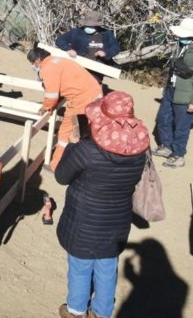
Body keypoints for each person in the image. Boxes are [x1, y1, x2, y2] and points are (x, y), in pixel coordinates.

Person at [55, 92, 149, 318]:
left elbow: (61, 176)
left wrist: (72, 145)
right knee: (107, 267)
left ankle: (76, 309)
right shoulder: (140, 150)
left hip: (83, 219)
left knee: (80, 265)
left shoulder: (87, 149)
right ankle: (101, 312)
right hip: (117, 219)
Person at [153, 17, 193, 168]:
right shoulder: (182, 44)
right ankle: (166, 146)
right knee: (163, 119)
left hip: (188, 94)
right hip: (172, 89)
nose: (179, 37)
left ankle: (178, 155)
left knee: (182, 126)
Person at [27, 47, 102, 171]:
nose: (33, 66)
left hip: (82, 99)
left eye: (32, 63)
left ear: (37, 61)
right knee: (86, 130)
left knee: (65, 132)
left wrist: (46, 107)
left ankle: (56, 166)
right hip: (94, 93)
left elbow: (51, 95)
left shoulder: (48, 68)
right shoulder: (58, 61)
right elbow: (63, 85)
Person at [55, 10, 121, 84]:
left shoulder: (106, 34)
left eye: (91, 25)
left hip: (97, 70)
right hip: (78, 67)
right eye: (87, 25)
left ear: (97, 25)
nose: (88, 27)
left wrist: (106, 53)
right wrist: (68, 49)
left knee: (93, 87)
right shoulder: (76, 32)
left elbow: (116, 48)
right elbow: (60, 40)